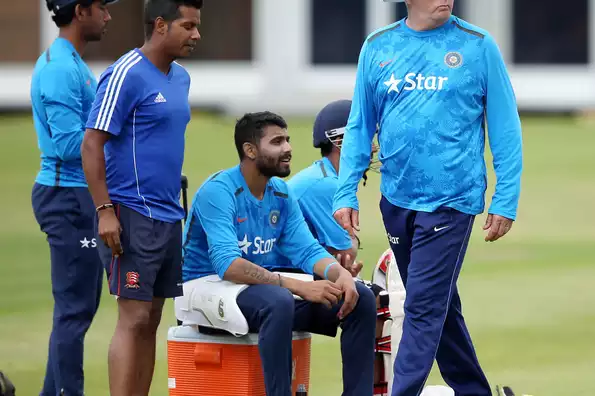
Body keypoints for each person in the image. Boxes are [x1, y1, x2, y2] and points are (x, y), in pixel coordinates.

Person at [332, 1, 523, 395]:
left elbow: (506, 126)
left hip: (452, 200)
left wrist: (506, 197)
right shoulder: (378, 46)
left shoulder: (477, 44)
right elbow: (359, 124)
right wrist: (345, 190)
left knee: (420, 307)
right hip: (396, 200)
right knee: (439, 306)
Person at [179, 111, 377, 396]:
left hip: (256, 291)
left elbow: (307, 250)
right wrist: (298, 286)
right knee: (279, 300)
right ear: (250, 150)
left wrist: (340, 274)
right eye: (277, 142)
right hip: (203, 287)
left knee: (360, 297)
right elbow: (228, 265)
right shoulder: (219, 191)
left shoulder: (280, 192)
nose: (288, 148)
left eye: (288, 140)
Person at [80, 0, 201, 394]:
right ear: (160, 25)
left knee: (152, 318)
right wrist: (104, 211)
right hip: (129, 214)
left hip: (168, 216)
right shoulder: (125, 73)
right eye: (188, 26)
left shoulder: (181, 78)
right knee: (132, 318)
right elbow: (91, 145)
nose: (196, 35)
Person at [30, 0, 113, 394]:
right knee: (75, 312)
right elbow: (67, 144)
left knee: (78, 310)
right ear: (80, 10)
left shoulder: (71, 62)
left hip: (76, 195)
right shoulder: (62, 68)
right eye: (102, 7)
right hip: (67, 197)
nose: (108, 16)